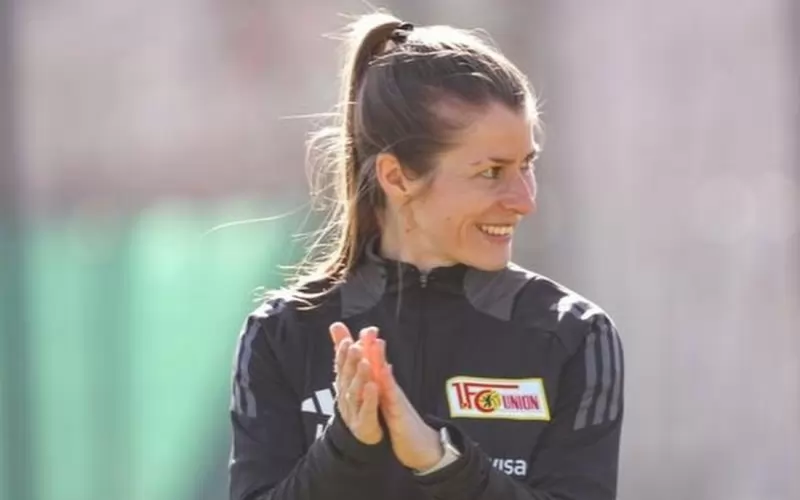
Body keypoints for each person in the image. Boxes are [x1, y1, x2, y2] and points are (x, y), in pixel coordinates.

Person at [228, 11, 624, 500]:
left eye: (527, 165)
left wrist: (442, 462)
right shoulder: (283, 333)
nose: (524, 201)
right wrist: (346, 447)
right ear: (397, 178)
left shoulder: (573, 335)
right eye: (492, 172)